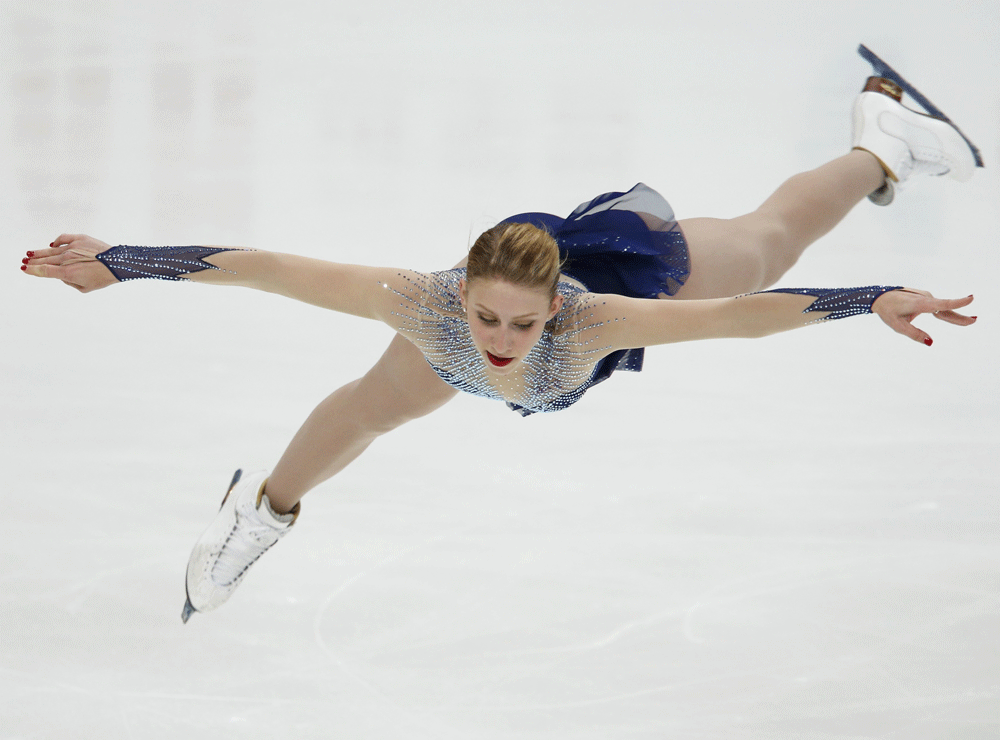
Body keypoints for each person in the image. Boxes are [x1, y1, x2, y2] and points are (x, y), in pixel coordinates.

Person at [20, 63, 980, 623]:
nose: (504, 341)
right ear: (462, 290)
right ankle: (260, 513)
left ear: (555, 306)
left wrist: (875, 296)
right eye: (488, 316)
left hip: (631, 264)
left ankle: (886, 141)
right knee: (369, 408)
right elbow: (264, 264)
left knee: (765, 248)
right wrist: (125, 260)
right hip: (430, 332)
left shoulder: (597, 318)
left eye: (524, 323)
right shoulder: (427, 307)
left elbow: (737, 319)